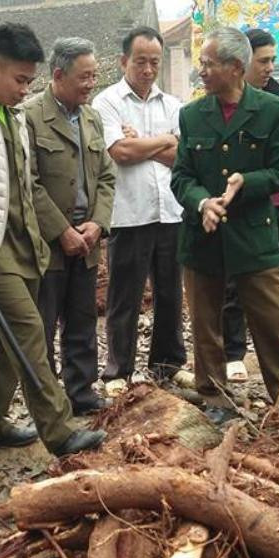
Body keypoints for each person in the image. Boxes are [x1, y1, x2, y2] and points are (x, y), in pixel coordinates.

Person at [0, 22, 106, 457]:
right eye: (20, 80)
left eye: (30, 81)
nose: (25, 89)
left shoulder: (12, 116)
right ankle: (61, 430)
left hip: (22, 241)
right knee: (29, 331)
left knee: (4, 340)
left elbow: (25, 189)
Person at [171, 26, 279, 429]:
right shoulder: (191, 115)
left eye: (208, 63)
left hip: (254, 234)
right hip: (202, 236)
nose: (201, 71)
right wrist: (202, 202)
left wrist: (244, 182)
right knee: (207, 323)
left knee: (273, 319)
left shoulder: (272, 111)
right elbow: (182, 176)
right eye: (201, 63)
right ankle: (215, 397)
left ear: (235, 68)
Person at [92, 26, 189, 391]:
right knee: (124, 297)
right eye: (140, 61)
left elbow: (182, 157)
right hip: (128, 214)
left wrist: (145, 142)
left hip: (170, 212)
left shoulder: (173, 105)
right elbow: (121, 153)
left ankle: (167, 364)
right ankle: (119, 371)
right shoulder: (108, 102)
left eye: (154, 62)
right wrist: (165, 140)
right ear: (123, 61)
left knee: (170, 294)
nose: (148, 70)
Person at [24, 37, 115, 415]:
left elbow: (107, 177)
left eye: (94, 75)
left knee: (81, 321)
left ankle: (81, 393)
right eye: (84, 76)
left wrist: (98, 223)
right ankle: (46, 404)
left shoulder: (92, 118)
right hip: (50, 244)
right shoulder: (29, 116)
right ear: (59, 74)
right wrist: (62, 231)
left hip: (88, 239)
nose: (90, 83)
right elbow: (28, 182)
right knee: (42, 326)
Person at [222, 28, 279, 381]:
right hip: (240, 203)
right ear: (242, 64)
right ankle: (233, 352)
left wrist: (262, 140)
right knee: (235, 278)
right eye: (263, 61)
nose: (270, 67)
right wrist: (270, 139)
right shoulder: (226, 99)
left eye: (273, 60)